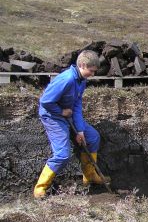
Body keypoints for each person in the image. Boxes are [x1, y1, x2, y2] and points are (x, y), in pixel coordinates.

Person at [34, 50, 109, 198]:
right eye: (91, 71)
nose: (93, 75)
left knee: (93, 137)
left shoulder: (81, 80)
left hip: (67, 113)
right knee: (62, 155)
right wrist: (61, 112)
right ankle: (40, 187)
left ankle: (89, 176)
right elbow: (45, 101)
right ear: (82, 65)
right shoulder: (66, 79)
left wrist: (80, 130)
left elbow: (76, 105)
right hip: (53, 116)